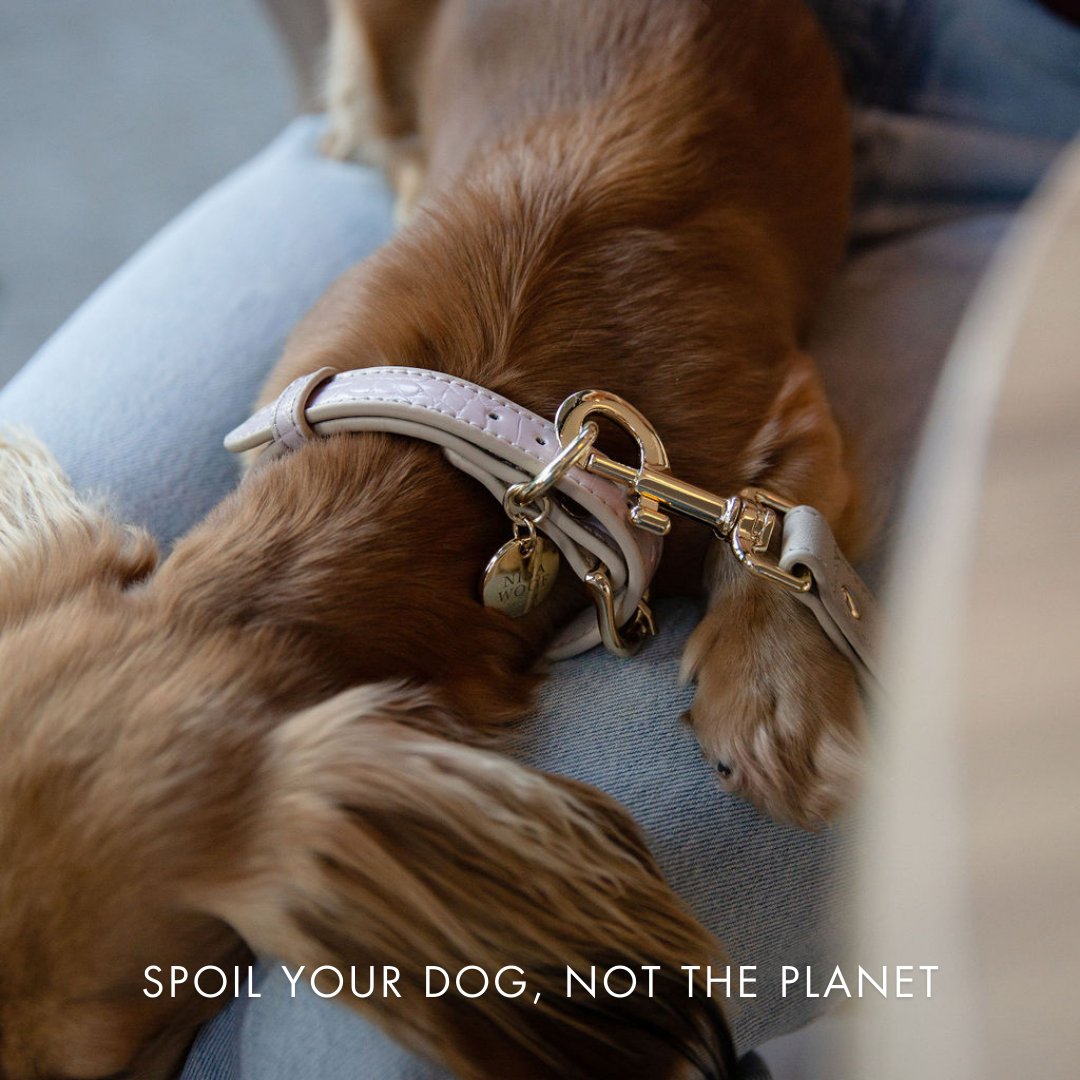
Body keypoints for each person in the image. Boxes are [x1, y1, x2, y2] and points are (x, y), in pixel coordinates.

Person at [1, 1, 1076, 1076]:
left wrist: (765, 592)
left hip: (1019, 120)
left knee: (375, 1055)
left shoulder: (681, 420)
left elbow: (781, 424)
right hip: (463, 65)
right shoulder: (304, 394)